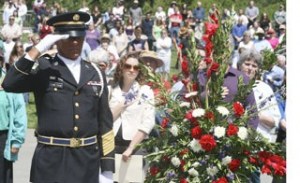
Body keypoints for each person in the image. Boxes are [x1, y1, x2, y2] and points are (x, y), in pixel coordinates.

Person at [2, 11, 115, 183]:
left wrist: (107, 169)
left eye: (79, 37)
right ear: (57, 39)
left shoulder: (95, 73)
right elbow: (9, 83)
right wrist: (38, 48)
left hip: (87, 161)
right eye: (69, 38)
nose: (75, 42)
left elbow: (105, 124)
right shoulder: (44, 68)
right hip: (51, 161)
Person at [109, 51, 155, 165]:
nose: (131, 70)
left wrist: (130, 148)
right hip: (109, 145)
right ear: (121, 68)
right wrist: (120, 106)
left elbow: (148, 122)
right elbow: (104, 120)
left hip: (134, 148)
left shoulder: (145, 91)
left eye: (136, 67)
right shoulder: (110, 89)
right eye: (128, 66)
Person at [0, 50, 27, 183]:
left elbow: (19, 113)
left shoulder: (9, 82)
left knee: (3, 176)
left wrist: (17, 140)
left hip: (3, 137)